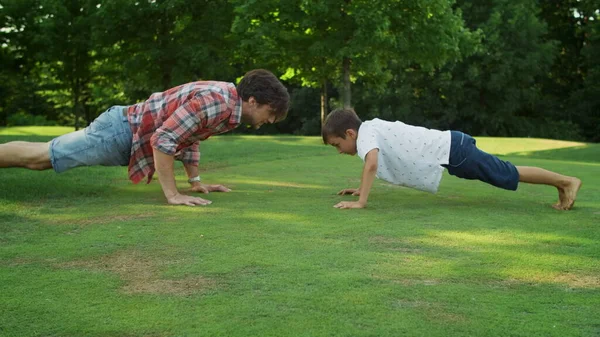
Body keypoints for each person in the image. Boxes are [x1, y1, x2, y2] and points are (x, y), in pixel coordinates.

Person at [0, 69, 290, 207]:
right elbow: (165, 140)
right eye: (271, 112)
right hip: (120, 132)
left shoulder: (227, 106)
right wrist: (173, 194)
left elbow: (188, 138)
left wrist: (195, 182)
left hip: (125, 130)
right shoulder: (220, 102)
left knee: (44, 153)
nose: (270, 121)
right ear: (253, 100)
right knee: (42, 159)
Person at [321, 108, 582, 210]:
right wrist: (360, 189)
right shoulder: (370, 129)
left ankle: (566, 182)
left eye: (338, 145)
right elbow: (371, 163)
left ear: (349, 132)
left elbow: (372, 163)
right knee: (505, 171)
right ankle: (562, 185)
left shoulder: (366, 134)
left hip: (453, 151)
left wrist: (362, 202)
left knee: (506, 173)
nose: (340, 151)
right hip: (452, 150)